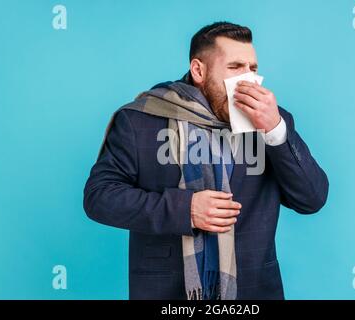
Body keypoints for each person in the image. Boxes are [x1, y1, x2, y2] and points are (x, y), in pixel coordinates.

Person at [83, 21, 329, 300]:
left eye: (253, 69)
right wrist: (184, 209)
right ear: (199, 70)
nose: (248, 79)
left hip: (252, 291)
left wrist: (275, 130)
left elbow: (312, 199)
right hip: (168, 292)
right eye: (235, 68)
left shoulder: (271, 122)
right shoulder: (141, 120)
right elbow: (99, 198)